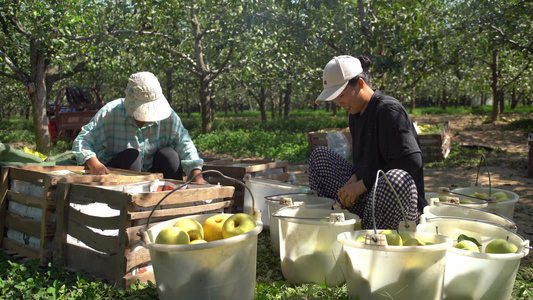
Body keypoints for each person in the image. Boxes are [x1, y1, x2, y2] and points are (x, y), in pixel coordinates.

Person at [309, 55, 426, 230]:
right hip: (368, 198)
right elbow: (366, 162)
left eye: (341, 95)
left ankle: (372, 235)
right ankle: (338, 226)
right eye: (335, 98)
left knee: (394, 179)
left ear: (361, 84)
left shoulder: (388, 110)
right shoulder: (355, 114)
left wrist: (362, 185)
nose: (339, 103)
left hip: (398, 206)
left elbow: (412, 160)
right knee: (320, 157)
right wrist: (354, 179)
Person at [72, 71, 207, 183]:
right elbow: (82, 141)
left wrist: (197, 176)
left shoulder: (168, 117)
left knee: (169, 155)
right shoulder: (110, 113)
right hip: (119, 177)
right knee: (132, 156)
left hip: (155, 175)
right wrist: (94, 164)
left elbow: (184, 144)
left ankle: (169, 202)